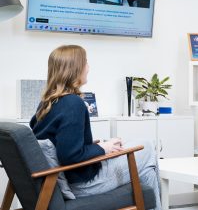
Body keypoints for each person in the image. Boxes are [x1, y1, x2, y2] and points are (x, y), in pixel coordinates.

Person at [29, 45, 161, 210]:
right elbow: (70, 156)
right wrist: (103, 148)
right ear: (75, 69)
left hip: (65, 178)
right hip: (84, 184)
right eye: (85, 63)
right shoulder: (73, 103)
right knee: (147, 146)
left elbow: (62, 143)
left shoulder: (46, 104)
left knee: (147, 169)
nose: (88, 68)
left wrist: (101, 145)